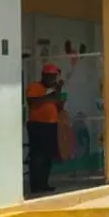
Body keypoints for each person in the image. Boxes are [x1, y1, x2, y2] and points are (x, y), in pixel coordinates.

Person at [26, 63, 65, 194]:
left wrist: (58, 94)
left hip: (51, 125)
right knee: (37, 156)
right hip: (37, 125)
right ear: (44, 76)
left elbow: (59, 107)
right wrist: (50, 95)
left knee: (48, 156)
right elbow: (32, 102)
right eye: (50, 76)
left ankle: (44, 183)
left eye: (54, 77)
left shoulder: (54, 91)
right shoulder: (35, 87)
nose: (52, 79)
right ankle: (35, 185)